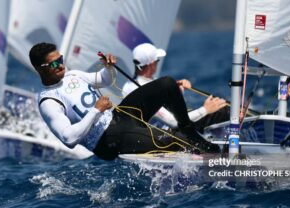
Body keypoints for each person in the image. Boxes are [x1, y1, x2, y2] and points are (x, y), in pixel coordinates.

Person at [29, 42, 220, 161]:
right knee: (172, 141)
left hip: (119, 118)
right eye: (54, 64)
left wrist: (108, 67)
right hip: (107, 140)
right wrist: (96, 111)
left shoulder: (73, 74)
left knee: (167, 84)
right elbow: (69, 139)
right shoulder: (49, 101)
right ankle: (209, 155)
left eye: (60, 59)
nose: (60, 65)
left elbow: (103, 79)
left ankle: (188, 129)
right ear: (39, 69)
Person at [122, 43, 230, 133]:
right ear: (151, 64)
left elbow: (168, 107)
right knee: (223, 111)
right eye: (157, 60)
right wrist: (205, 110)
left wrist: (177, 90)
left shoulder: (144, 82)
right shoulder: (138, 89)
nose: (157, 63)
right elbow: (174, 122)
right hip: (166, 135)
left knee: (223, 106)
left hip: (171, 129)